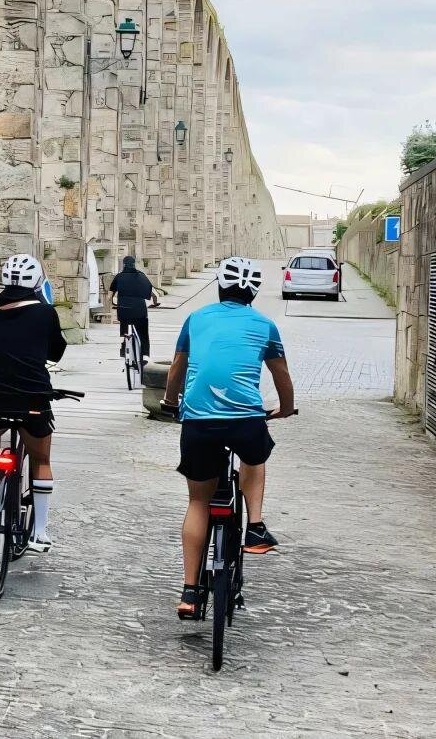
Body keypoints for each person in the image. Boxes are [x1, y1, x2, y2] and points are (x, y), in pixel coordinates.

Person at [160, 256, 295, 618]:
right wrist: (285, 408)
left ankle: (189, 592)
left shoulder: (196, 319)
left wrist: (170, 402)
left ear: (219, 286)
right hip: (244, 420)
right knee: (255, 455)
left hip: (199, 421)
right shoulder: (265, 325)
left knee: (197, 502)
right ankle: (256, 527)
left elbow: (177, 368)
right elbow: (281, 374)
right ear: (254, 292)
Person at [0, 254, 68, 551]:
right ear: (36, 281)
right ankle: (40, 532)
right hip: (34, 398)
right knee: (41, 460)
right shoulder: (45, 313)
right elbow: (56, 352)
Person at [108, 255, 160, 362]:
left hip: (123, 309)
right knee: (143, 332)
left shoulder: (119, 276)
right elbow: (154, 294)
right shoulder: (141, 276)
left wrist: (113, 303)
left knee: (124, 322)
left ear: (124, 264)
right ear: (134, 264)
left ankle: (125, 342)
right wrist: (155, 303)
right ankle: (144, 354)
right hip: (139, 309)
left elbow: (110, 295)